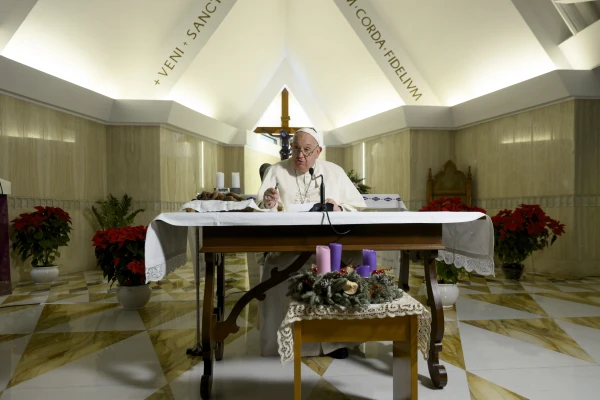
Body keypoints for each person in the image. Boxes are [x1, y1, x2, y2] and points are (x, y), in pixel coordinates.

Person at [256, 127, 367, 359]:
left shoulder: (334, 172)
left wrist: (339, 208)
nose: (300, 156)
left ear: (319, 151)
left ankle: (335, 343)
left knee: (344, 268)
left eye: (307, 150)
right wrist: (268, 203)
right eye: (296, 149)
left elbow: (357, 207)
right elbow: (260, 208)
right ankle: (285, 342)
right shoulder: (277, 170)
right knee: (272, 271)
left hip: (328, 247)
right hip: (289, 247)